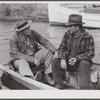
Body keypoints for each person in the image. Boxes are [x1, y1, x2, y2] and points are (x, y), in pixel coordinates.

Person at [52, 14, 95, 89]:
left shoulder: (88, 36)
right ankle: (59, 84)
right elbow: (62, 47)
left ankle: (84, 89)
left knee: (84, 63)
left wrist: (77, 58)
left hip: (80, 63)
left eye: (70, 26)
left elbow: (91, 53)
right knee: (55, 61)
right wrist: (62, 59)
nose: (68, 28)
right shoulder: (67, 34)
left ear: (77, 27)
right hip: (68, 62)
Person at [9, 18, 57, 85]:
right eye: (26, 29)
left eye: (29, 27)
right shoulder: (13, 39)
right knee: (23, 62)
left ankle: (47, 75)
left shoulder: (33, 33)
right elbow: (16, 54)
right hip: (19, 60)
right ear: (21, 31)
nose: (29, 29)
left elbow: (44, 42)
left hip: (33, 56)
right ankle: (31, 79)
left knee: (48, 51)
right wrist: (32, 59)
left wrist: (55, 51)